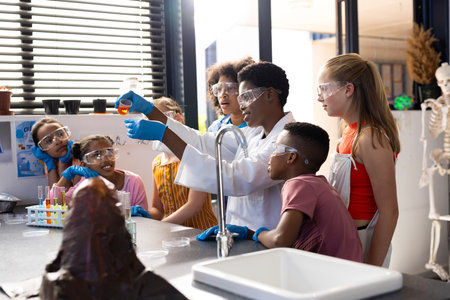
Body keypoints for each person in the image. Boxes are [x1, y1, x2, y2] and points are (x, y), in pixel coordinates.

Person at [116, 61, 295, 231]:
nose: (241, 104)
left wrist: (164, 134)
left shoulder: (286, 142)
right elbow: (201, 142)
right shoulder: (253, 134)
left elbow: (237, 178)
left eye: (246, 96)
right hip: (244, 236)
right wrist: (150, 110)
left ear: (270, 95)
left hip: (267, 241)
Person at [197, 122, 363, 263]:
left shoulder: (299, 184)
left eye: (276, 149)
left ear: (291, 157)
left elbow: (281, 240)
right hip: (344, 274)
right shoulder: (318, 184)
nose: (271, 156)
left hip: (332, 280)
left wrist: (256, 234)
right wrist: (249, 233)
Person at [317, 53, 400, 267]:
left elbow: (390, 212)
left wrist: (372, 268)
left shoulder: (370, 137)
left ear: (348, 89)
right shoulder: (348, 132)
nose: (319, 97)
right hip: (344, 238)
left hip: (363, 242)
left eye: (324, 88)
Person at [148, 97, 217, 230]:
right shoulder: (156, 163)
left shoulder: (194, 156)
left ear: (177, 119)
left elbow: (194, 206)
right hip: (174, 237)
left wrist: (161, 227)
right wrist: (144, 215)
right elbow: (158, 209)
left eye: (157, 122)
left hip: (202, 233)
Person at [51, 134, 148, 211]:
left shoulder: (133, 181)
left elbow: (144, 221)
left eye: (109, 152)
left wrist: (137, 215)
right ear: (84, 164)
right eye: (97, 155)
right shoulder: (84, 185)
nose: (106, 158)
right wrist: (68, 174)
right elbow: (52, 206)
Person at [206, 57, 254, 132]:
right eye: (219, 89)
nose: (222, 94)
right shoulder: (215, 128)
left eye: (230, 88)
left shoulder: (258, 127)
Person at [31, 118, 75, 187]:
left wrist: (63, 165)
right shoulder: (51, 161)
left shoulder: (79, 159)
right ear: (43, 150)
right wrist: (50, 164)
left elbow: (69, 193)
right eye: (49, 141)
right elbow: (54, 194)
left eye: (60, 134)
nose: (58, 141)